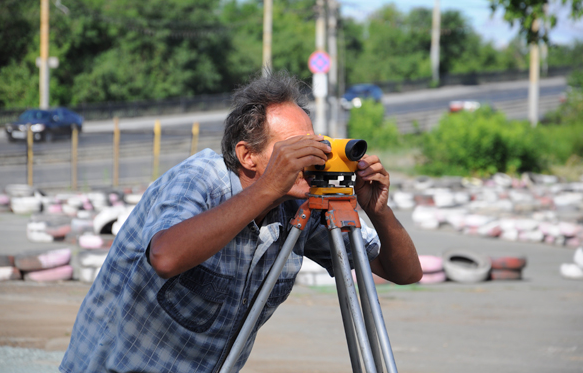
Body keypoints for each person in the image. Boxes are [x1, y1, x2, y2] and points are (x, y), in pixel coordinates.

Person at [59, 71, 422, 373]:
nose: (310, 160)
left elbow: (405, 272)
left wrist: (378, 210)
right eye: (294, 149)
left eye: (313, 145)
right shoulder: (201, 179)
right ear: (247, 155)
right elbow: (165, 256)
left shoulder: (299, 205)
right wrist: (267, 188)